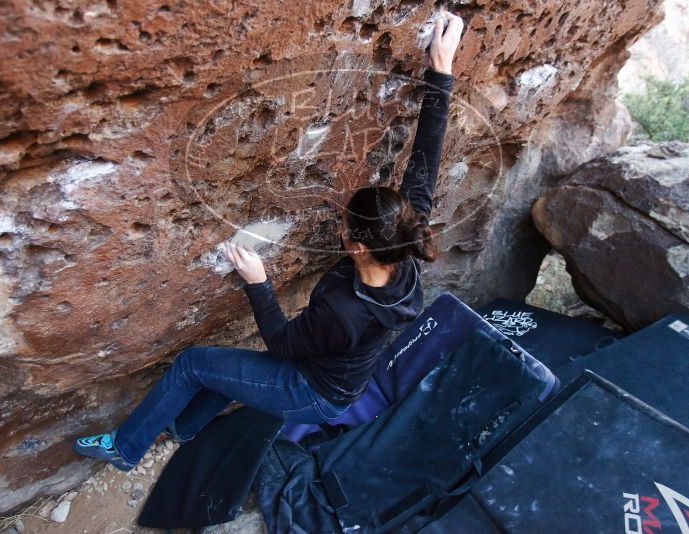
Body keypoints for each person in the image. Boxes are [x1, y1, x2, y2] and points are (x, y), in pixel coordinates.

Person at [73, 12, 464, 471]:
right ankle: (184, 427)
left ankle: (125, 449)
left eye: (345, 225)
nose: (340, 226)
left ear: (358, 247)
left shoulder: (345, 311)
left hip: (312, 392)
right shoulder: (403, 243)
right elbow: (426, 158)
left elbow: (280, 342)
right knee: (229, 370)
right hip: (334, 372)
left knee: (195, 363)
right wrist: (441, 70)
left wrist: (258, 282)